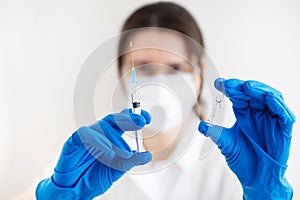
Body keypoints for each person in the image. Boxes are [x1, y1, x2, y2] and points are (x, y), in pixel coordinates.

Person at [35, 2, 295, 200]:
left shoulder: (231, 164)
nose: (159, 83)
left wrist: (265, 194)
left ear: (198, 73)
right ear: (122, 73)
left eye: (175, 68)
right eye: (145, 67)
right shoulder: (89, 156)